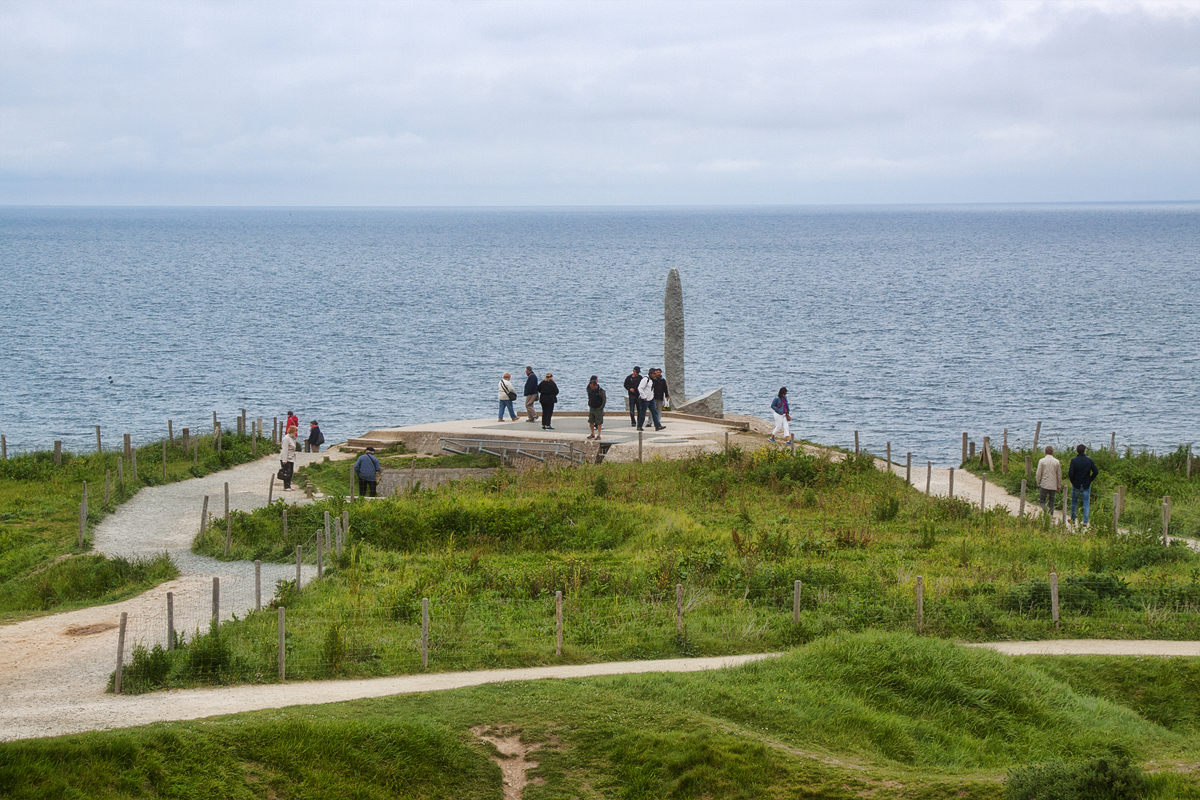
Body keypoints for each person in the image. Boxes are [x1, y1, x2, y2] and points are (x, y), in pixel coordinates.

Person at [1068, 444, 1100, 526]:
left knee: (1074, 502)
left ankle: (1073, 520)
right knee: (1086, 503)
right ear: (1085, 451)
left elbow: (1070, 473)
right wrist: (1090, 480)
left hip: (1076, 484)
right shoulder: (1089, 461)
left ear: (1077, 450)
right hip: (1086, 484)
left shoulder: (1074, 461)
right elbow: (1096, 471)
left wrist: (1073, 481)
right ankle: (1085, 522)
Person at [1035, 446, 1063, 517]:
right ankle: (1050, 515)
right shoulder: (1057, 462)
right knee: (1051, 502)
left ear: (1045, 452)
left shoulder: (1041, 461)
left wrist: (1038, 482)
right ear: (1052, 452)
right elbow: (1059, 475)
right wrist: (1059, 485)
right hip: (1053, 485)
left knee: (1042, 500)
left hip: (1044, 484)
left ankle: (1045, 511)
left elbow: (1038, 473)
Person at [586, 375, 606, 440]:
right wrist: (589, 404)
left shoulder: (601, 391)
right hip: (592, 407)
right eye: (590, 386)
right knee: (591, 421)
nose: (591, 387)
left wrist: (601, 408)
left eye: (592, 386)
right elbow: (589, 398)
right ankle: (592, 434)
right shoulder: (590, 390)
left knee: (599, 422)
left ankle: (599, 435)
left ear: (595, 385)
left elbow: (604, 400)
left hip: (598, 408)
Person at [280, 424, 298, 490]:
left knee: (290, 472)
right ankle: (286, 486)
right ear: (292, 431)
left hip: (291, 457)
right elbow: (285, 449)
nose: (296, 433)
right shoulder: (287, 438)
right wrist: (284, 460)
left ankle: (289, 485)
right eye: (295, 431)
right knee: (286, 472)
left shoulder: (292, 438)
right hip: (287, 458)